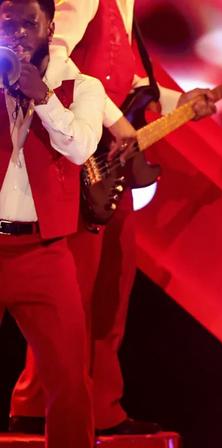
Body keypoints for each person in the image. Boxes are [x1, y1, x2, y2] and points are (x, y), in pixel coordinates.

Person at [8, 0, 217, 436]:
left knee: (109, 287)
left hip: (94, 171)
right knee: (79, 295)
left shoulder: (123, 11)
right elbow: (54, 53)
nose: (19, 28)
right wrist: (114, 121)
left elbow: (128, 83)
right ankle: (35, 402)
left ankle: (99, 405)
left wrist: (183, 102)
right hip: (73, 170)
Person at [0, 0, 106, 445]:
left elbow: (81, 148)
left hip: (44, 253)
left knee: (68, 379)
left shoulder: (81, 85)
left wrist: (42, 98)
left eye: (30, 23)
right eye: (9, 22)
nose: (19, 32)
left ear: (50, 27)